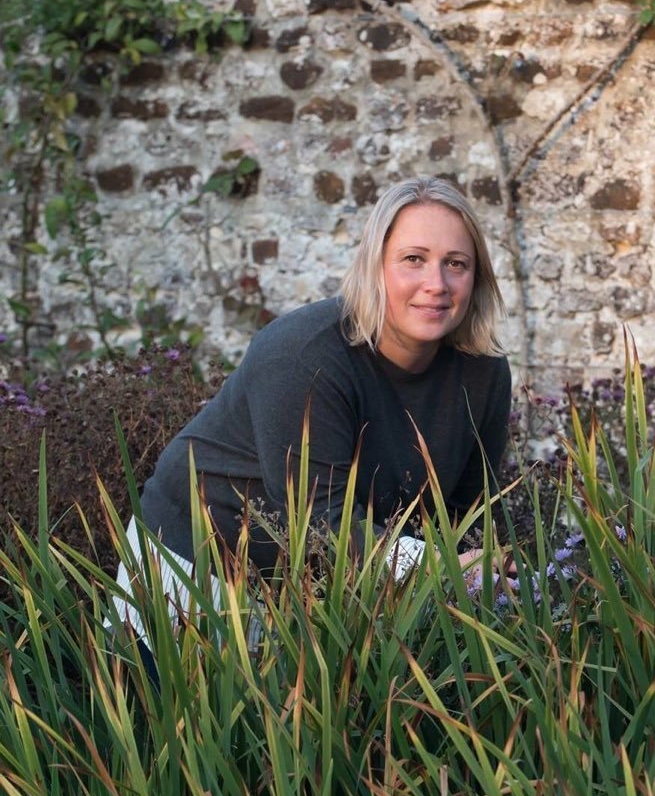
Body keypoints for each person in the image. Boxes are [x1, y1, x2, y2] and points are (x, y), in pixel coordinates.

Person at [112, 174, 512, 641]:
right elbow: (317, 523)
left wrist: (482, 569)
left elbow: (468, 511)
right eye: (413, 260)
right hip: (198, 570)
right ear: (374, 268)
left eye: (456, 264)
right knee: (166, 714)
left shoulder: (482, 373)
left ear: (476, 277)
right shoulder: (303, 355)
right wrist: (442, 568)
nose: (436, 283)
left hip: (342, 583)